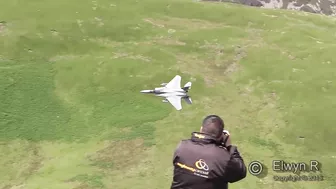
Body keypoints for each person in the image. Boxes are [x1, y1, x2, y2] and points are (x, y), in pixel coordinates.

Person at [170, 115, 247, 189]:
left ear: (201, 129)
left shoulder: (182, 146)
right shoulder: (224, 158)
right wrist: (229, 147)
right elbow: (240, 172)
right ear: (221, 136)